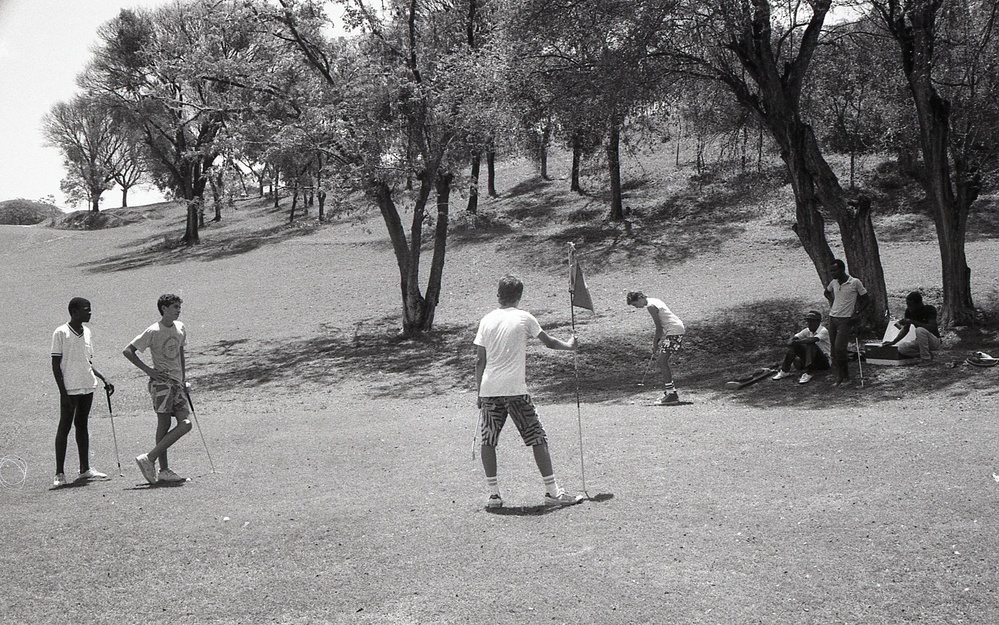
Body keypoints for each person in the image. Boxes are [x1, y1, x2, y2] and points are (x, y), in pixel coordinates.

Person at [474, 275, 581, 509]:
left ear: (498, 295)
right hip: (514, 390)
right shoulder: (525, 318)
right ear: (520, 296)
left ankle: (494, 495)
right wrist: (570, 346)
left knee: (488, 440)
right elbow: (550, 342)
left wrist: (478, 393)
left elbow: (480, 361)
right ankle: (553, 492)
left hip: (489, 390)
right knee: (537, 436)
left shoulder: (486, 320)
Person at [123, 294, 191, 485]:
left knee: (185, 423)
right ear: (164, 309)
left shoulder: (181, 328)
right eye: (175, 307)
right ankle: (164, 470)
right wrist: (149, 371)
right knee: (163, 424)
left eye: (179, 307)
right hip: (161, 385)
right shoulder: (153, 330)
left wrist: (184, 380)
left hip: (177, 384)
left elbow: (180, 354)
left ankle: (150, 458)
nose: (179, 310)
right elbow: (128, 351)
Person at [51, 297, 113, 487]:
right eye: (86, 310)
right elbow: (55, 364)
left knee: (82, 424)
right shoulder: (61, 332)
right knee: (65, 426)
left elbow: (88, 362)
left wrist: (104, 378)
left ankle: (84, 469)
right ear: (74, 311)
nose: (90, 313)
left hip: (87, 385)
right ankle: (59, 473)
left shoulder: (87, 332)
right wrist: (63, 392)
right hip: (69, 388)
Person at [627, 291, 686, 405]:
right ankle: (670, 392)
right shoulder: (655, 300)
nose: (637, 307)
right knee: (662, 361)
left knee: (661, 361)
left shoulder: (650, 306)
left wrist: (655, 344)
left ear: (640, 298)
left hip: (674, 330)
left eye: (635, 304)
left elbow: (658, 328)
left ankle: (671, 394)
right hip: (676, 328)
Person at [824, 259, 870, 385]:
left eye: (835, 270)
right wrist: (834, 302)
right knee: (834, 349)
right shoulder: (834, 283)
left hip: (845, 319)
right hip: (832, 318)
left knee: (840, 348)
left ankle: (847, 377)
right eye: (831, 271)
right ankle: (840, 377)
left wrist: (857, 313)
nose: (832, 273)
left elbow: (866, 299)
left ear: (842, 269)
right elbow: (826, 292)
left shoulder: (854, 282)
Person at [772, 310, 831, 384]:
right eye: (808, 322)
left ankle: (809, 373)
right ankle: (784, 371)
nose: (809, 324)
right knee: (796, 346)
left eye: (812, 322)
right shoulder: (807, 330)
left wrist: (797, 342)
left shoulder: (823, 331)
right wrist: (793, 341)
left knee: (811, 344)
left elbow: (813, 340)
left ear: (818, 322)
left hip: (824, 362)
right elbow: (795, 337)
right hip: (812, 359)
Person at [883, 291, 941, 362]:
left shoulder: (929, 309)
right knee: (902, 348)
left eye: (911, 305)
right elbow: (905, 329)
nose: (909, 308)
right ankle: (926, 354)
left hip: (934, 340)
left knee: (919, 330)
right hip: (920, 341)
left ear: (919, 304)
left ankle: (926, 359)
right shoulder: (909, 311)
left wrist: (912, 321)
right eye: (907, 305)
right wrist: (893, 342)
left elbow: (932, 327)